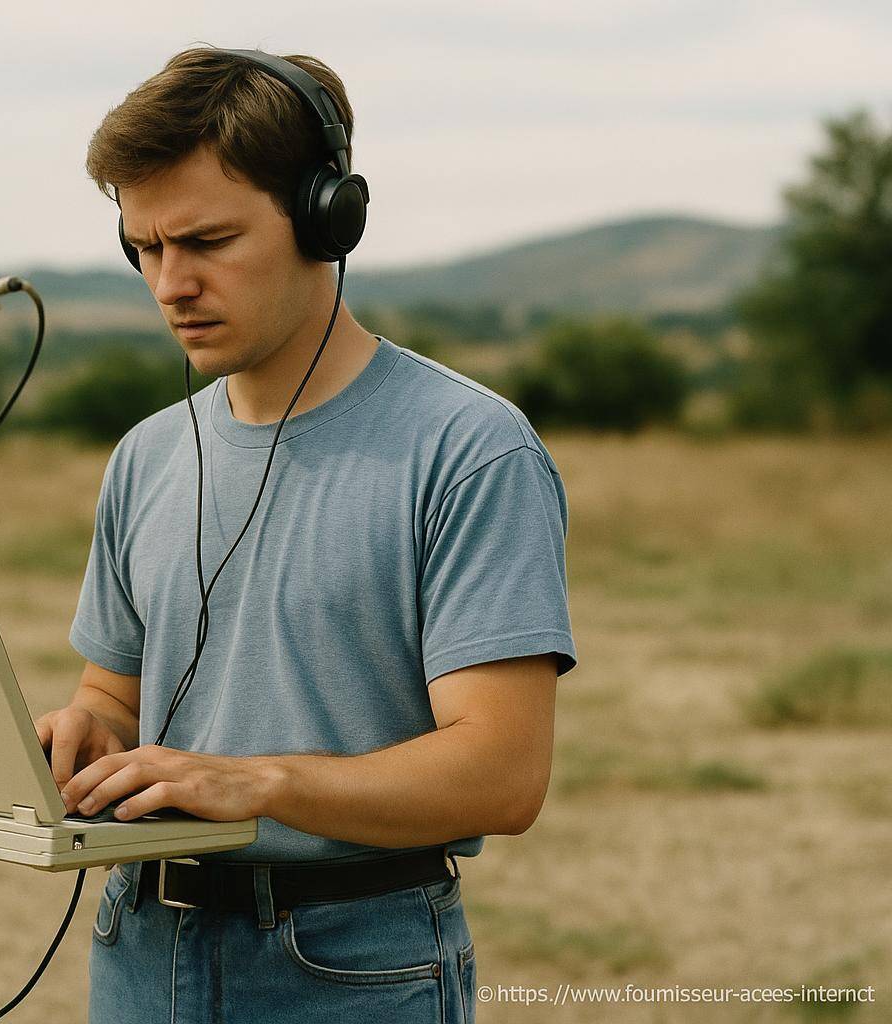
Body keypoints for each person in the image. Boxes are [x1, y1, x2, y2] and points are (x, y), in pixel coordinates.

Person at [33, 46, 576, 1024]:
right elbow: (112, 691)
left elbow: (502, 773)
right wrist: (89, 736)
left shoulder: (469, 450)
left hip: (347, 964)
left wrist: (254, 781)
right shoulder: (146, 457)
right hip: (138, 948)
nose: (171, 283)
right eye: (146, 248)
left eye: (206, 240)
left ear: (329, 218)